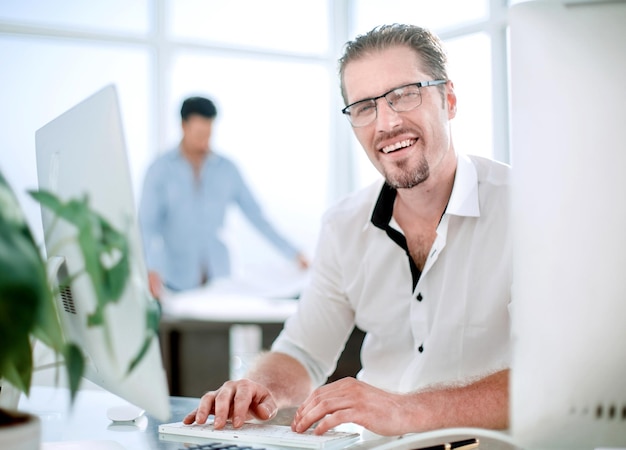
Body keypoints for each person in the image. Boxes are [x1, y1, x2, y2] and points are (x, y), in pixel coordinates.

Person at [183, 24, 512, 437]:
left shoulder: (527, 208)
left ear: (448, 98)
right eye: (364, 107)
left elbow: (556, 373)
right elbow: (303, 352)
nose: (386, 123)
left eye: (404, 95)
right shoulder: (343, 226)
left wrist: (406, 410)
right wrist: (259, 389)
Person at [139, 96, 309, 298]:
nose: (205, 141)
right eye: (200, 134)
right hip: (174, 281)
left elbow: (257, 217)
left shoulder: (227, 170)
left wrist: (294, 254)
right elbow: (147, 225)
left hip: (221, 279)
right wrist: (151, 267)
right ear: (183, 126)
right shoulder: (159, 170)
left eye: (209, 134)